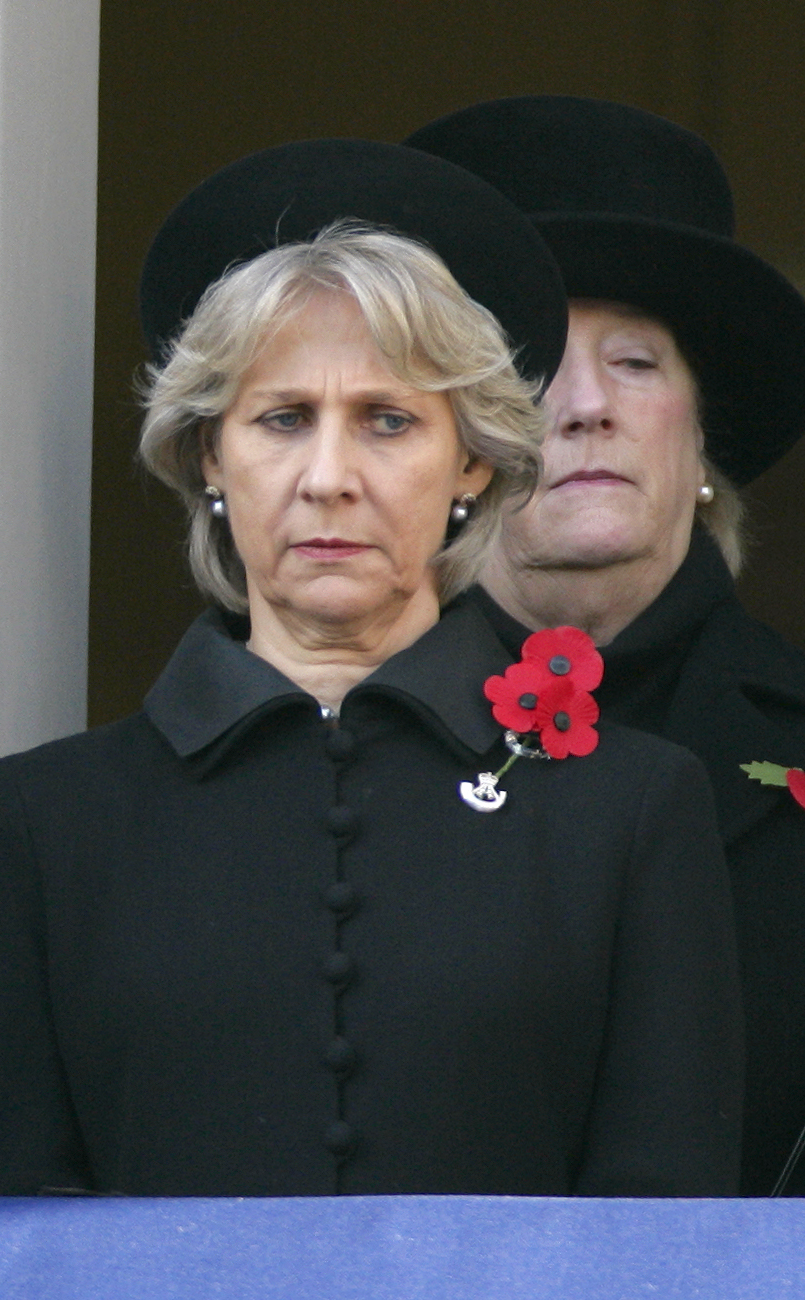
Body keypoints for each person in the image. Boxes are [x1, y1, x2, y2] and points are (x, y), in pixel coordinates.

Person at [0, 140, 742, 1196]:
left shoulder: (630, 813)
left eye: (388, 421)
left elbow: (664, 1234)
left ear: (472, 462)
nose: (328, 478)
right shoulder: (43, 820)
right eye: (281, 419)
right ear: (210, 456)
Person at [407, 96, 805, 1196]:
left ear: (702, 429)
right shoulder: (328, 745)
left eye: (635, 362)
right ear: (451, 443)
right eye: (533, 366)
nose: (586, 408)